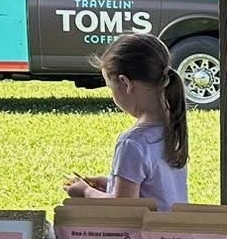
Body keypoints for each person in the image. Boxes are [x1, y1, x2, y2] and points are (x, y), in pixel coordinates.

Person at [63, 33, 189, 211]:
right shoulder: (172, 129)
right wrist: (111, 184)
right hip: (171, 229)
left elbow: (122, 208)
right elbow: (153, 190)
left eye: (110, 87)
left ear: (125, 83)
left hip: (145, 230)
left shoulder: (132, 143)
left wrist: (85, 192)